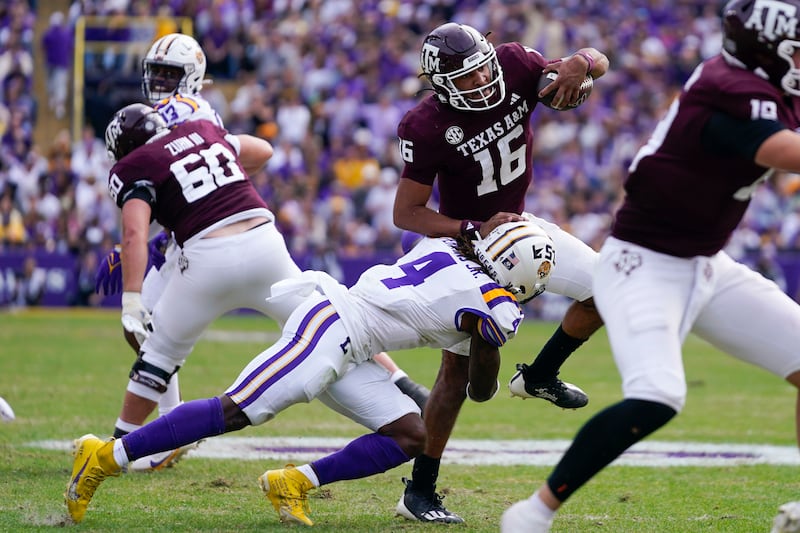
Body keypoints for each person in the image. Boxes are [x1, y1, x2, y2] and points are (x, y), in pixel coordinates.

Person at [501, 1, 800, 530]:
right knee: (657, 396)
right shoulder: (732, 90)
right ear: (765, 49)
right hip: (644, 266)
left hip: (706, 264)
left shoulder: (758, 84)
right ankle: (531, 514)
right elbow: (785, 151)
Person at [65, 217, 557, 525]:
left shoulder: (449, 243)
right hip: (332, 329)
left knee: (412, 434)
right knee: (236, 410)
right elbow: (482, 390)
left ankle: (294, 482)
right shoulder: (496, 305)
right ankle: (107, 455)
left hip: (353, 341)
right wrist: (490, 343)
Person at [98, 33, 429, 470]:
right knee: (328, 316)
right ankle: (402, 382)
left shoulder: (169, 127)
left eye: (168, 74)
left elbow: (149, 208)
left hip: (200, 244)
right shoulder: (202, 117)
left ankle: (128, 444)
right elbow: (255, 152)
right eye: (155, 73)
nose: (161, 82)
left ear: (192, 75)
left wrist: (138, 272)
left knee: (155, 340)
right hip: (247, 230)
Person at [392, 22, 608, 523]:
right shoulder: (425, 124)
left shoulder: (513, 63)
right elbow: (408, 213)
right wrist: (470, 227)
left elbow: (594, 62)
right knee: (463, 377)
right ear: (441, 85)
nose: (483, 81)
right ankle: (419, 490)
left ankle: (541, 373)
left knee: (608, 290)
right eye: (467, 78)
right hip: (464, 243)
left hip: (519, 227)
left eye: (484, 68)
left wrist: (582, 61)